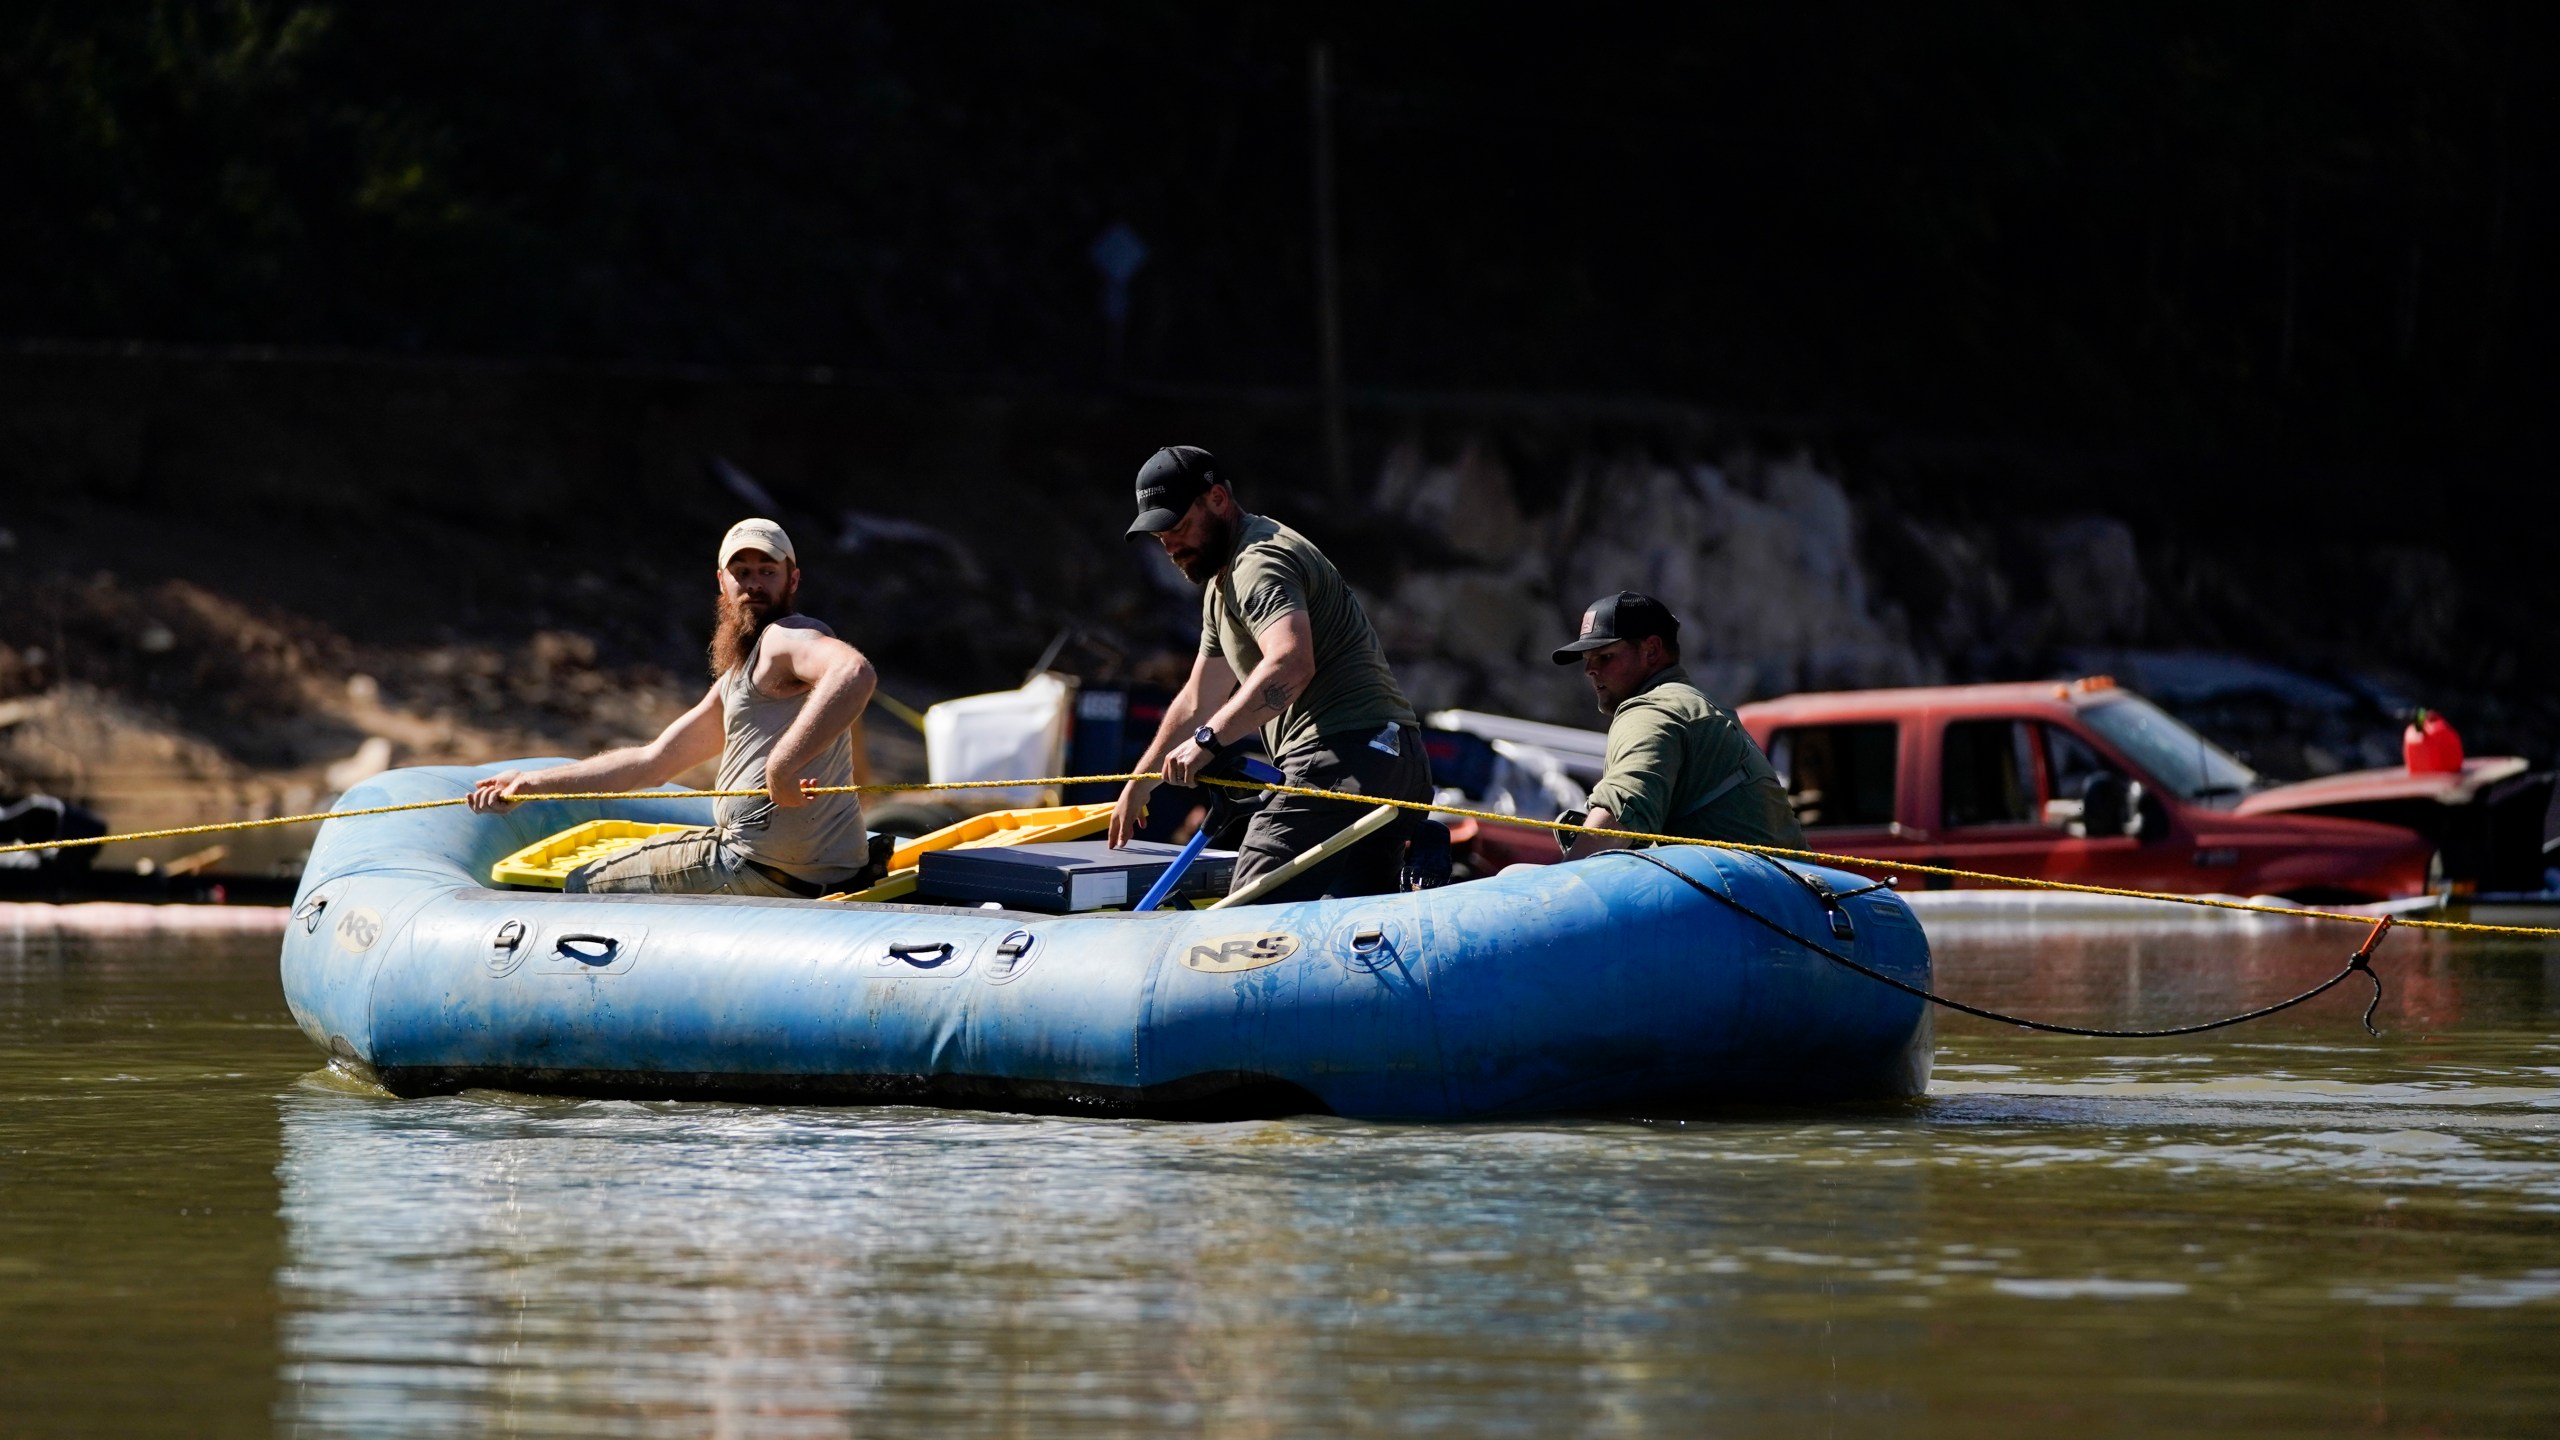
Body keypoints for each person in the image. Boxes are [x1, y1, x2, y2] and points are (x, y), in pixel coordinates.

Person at [466, 518, 880, 897]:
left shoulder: (787, 638)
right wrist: (529, 784)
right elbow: (652, 762)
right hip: (815, 871)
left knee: (578, 885)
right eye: (742, 573)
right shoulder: (739, 678)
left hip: (755, 868)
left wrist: (782, 767)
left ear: (792, 580)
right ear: (722, 583)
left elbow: (853, 672)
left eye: (768, 572)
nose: (754, 584)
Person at [1111, 445, 1432, 901]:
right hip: (1394, 758)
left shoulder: (1257, 562)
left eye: (1178, 526)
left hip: (1342, 757)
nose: (1169, 545)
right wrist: (1140, 782)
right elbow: (1199, 697)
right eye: (1159, 535)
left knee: (1244, 924)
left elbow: (1291, 663)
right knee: (1353, 938)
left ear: (1218, 500)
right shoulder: (1221, 587)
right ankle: (1427, 840)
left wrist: (1207, 742)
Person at [1549, 590, 1805, 860]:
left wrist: (1559, 889)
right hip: (1782, 888)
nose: (1590, 669)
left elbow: (1617, 814)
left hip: (1749, 891)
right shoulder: (1690, 702)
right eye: (1588, 659)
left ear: (1652, 650)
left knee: (1515, 874)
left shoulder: (1653, 711)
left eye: (1605, 656)